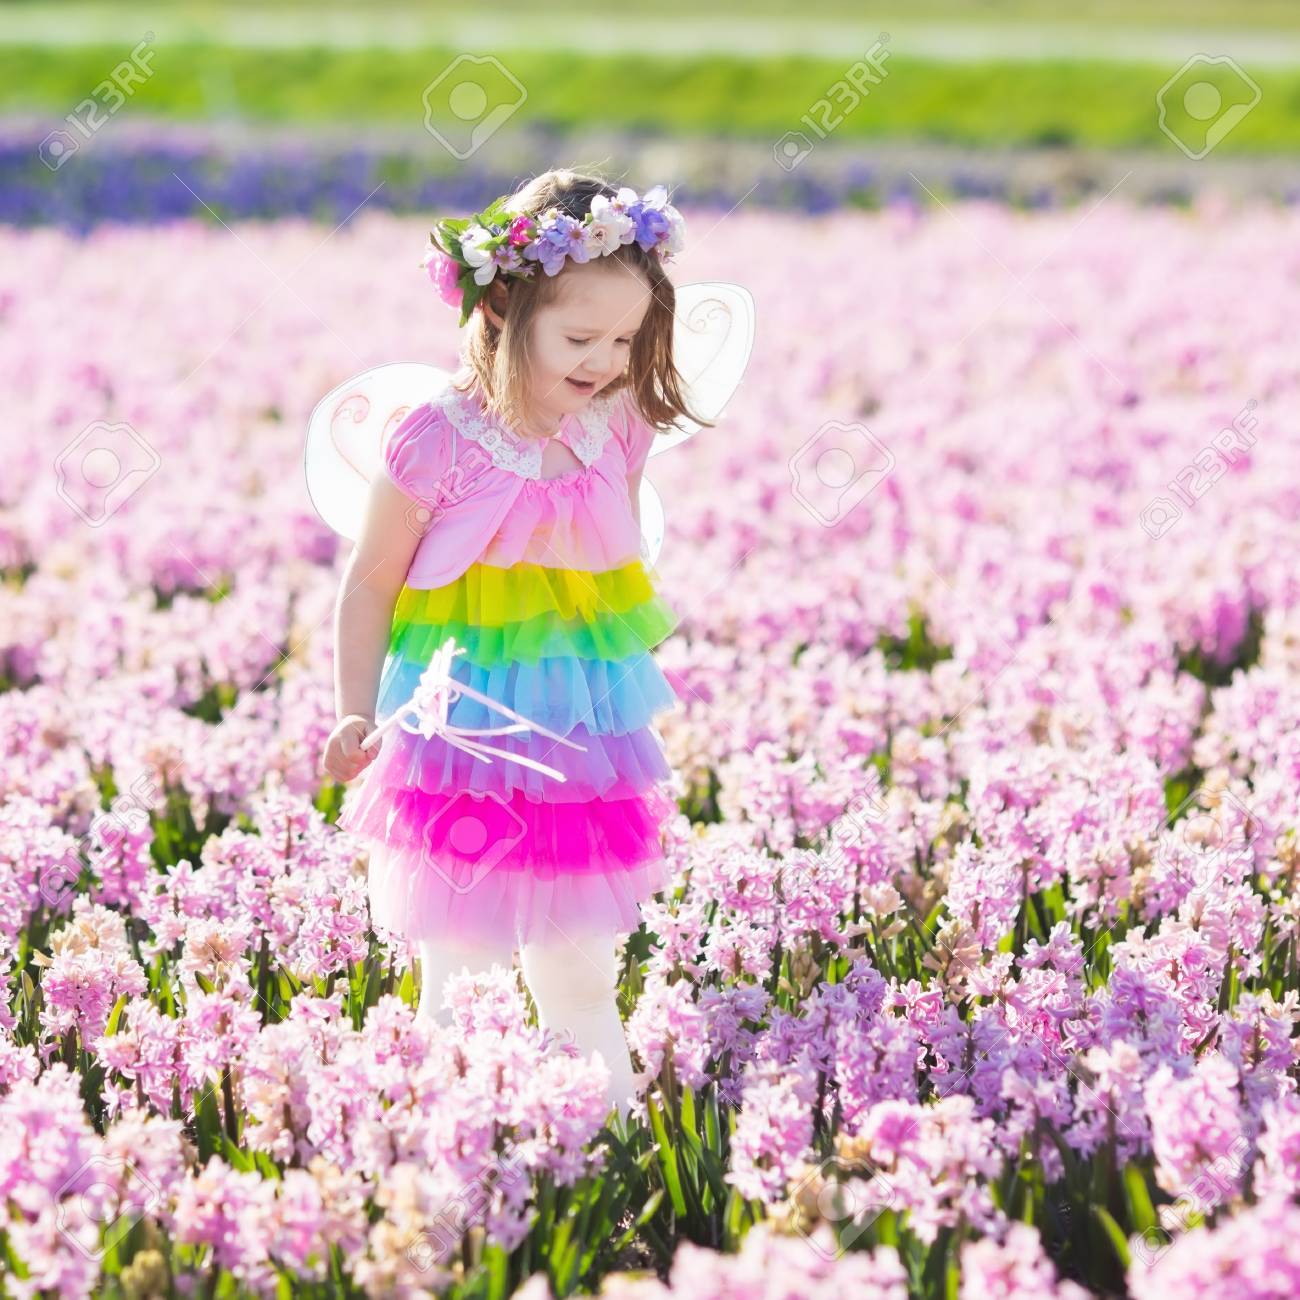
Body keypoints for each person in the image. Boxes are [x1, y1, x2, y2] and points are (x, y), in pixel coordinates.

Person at [320, 169, 701, 1123]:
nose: (608, 360)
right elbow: (369, 587)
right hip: (459, 740)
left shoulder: (614, 429)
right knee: (466, 961)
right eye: (582, 338)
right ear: (501, 305)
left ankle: (603, 1144)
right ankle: (453, 1146)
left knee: (578, 963)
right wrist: (352, 710)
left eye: (625, 339)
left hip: (580, 744)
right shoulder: (435, 439)